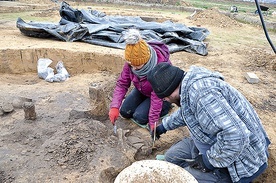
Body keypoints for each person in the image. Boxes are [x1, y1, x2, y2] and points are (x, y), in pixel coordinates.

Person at [147, 62, 270, 183]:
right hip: (212, 143)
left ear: (171, 89)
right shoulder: (188, 87)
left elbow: (237, 136)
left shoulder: (203, 95)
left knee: (181, 179)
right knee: (171, 157)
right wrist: (163, 126)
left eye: (165, 97)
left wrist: (208, 161)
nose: (167, 101)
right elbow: (186, 112)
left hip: (241, 161)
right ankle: (197, 164)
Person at [108, 29, 172, 132]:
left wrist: (153, 122)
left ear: (146, 60)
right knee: (125, 112)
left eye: (137, 65)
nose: (134, 68)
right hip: (143, 89)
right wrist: (114, 107)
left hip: (162, 96)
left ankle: (165, 109)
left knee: (139, 117)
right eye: (131, 64)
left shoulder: (159, 68)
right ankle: (144, 103)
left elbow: (157, 97)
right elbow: (122, 84)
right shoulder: (131, 63)